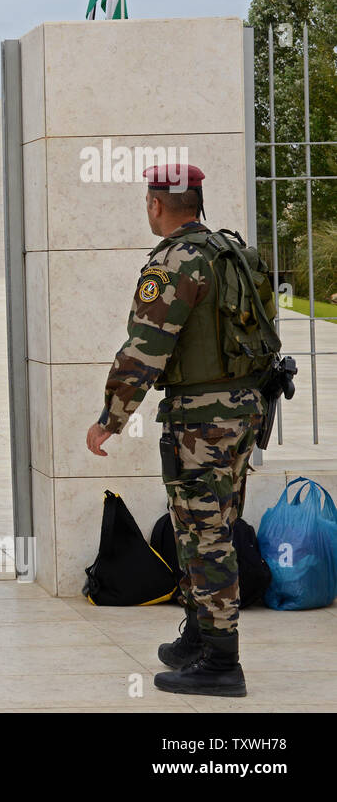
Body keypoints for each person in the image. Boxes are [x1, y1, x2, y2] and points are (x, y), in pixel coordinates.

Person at [87, 164, 277, 698]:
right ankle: (198, 634)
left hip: (201, 419)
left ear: (155, 204)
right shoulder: (233, 252)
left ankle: (222, 662)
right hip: (243, 409)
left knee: (205, 534)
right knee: (212, 525)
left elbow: (145, 348)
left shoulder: (173, 262)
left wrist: (111, 418)